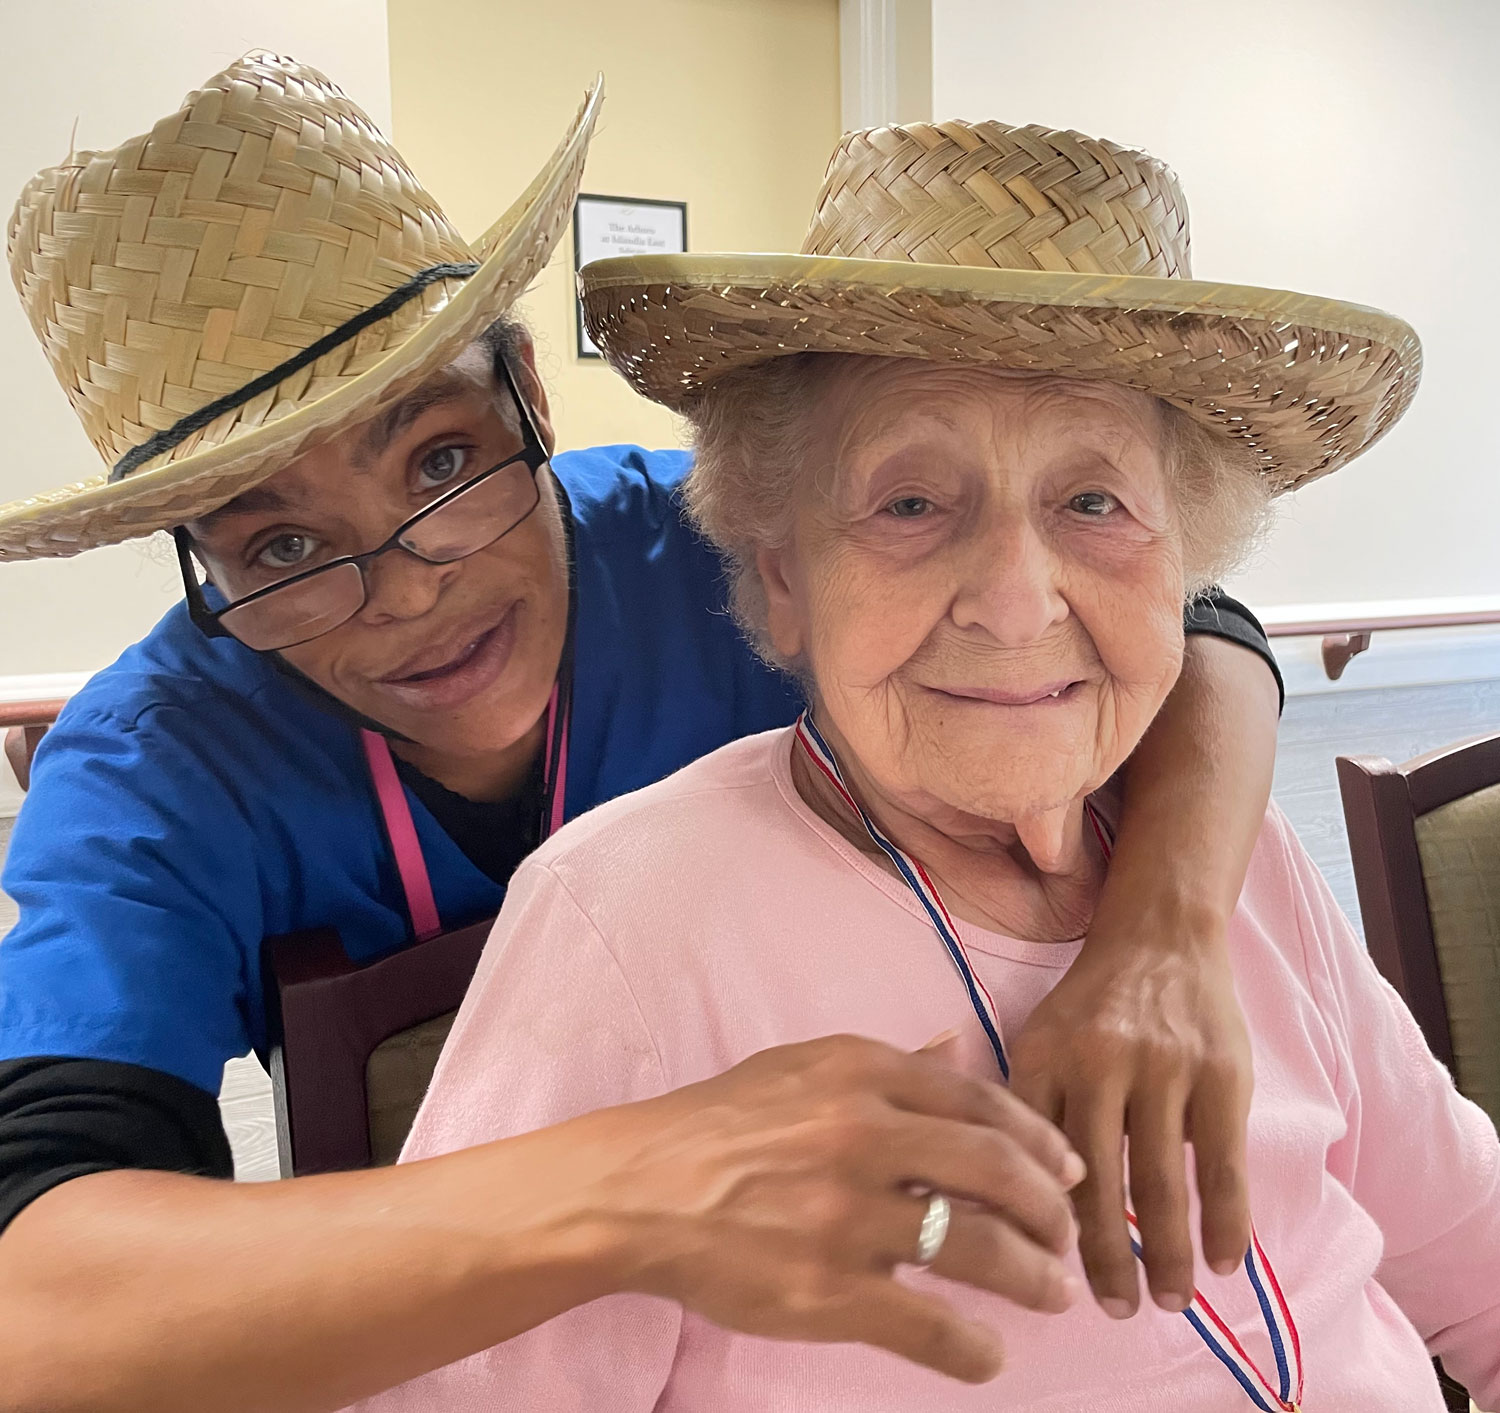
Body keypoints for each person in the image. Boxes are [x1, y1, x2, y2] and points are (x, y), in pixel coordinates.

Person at [0, 59, 1283, 1413]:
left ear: (529, 393)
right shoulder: (153, 768)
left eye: (441, 461)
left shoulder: (720, 549)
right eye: (281, 546)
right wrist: (640, 1186)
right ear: (197, 561)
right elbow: (36, 1294)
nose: (409, 593)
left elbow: (1190, 622)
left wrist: (1164, 931)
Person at [356, 117, 1497, 1413]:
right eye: (910, 502)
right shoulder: (624, 925)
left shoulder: (1241, 859)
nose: (1015, 600)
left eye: (1094, 502)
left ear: (1184, 563)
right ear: (784, 579)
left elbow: (1480, 1261)